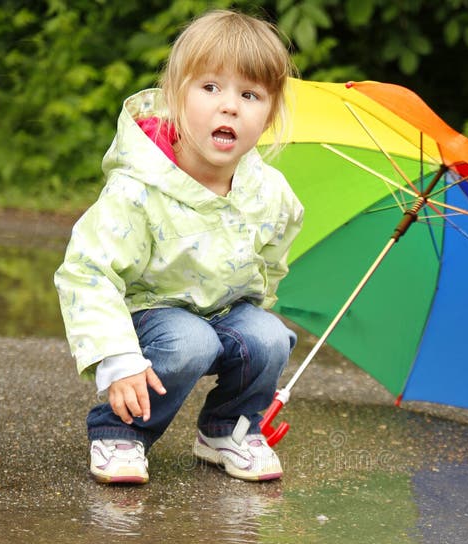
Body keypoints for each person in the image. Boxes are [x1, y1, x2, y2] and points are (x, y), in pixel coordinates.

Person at [55, 10, 303, 485]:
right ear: (174, 96)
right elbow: (87, 269)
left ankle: (228, 428)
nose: (229, 106)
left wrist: (256, 311)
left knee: (268, 335)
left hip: (224, 309)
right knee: (192, 340)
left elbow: (271, 261)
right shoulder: (139, 187)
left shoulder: (270, 193)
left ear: (269, 115)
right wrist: (118, 357)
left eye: (249, 95)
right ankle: (121, 431)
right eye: (210, 88)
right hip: (152, 313)